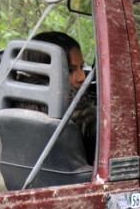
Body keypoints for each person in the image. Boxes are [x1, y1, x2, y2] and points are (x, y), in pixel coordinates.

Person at [32, 31, 96, 162]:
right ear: (44, 70)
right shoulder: (73, 106)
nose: (82, 77)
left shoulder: (8, 99)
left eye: (82, 67)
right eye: (70, 70)